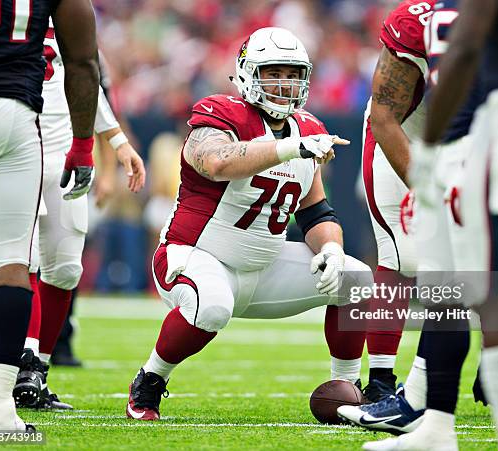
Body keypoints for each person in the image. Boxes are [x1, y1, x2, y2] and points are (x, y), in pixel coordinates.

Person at [359, 1, 498, 450]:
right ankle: (434, 419)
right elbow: (386, 114)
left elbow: (464, 51)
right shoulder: (417, 16)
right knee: (462, 284)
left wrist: (430, 162)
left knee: (491, 288)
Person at [125, 27, 372, 421]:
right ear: (247, 73)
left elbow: (316, 212)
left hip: (264, 267)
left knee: (356, 279)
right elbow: (217, 162)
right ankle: (150, 381)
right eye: (274, 72)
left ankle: (350, 390)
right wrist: (291, 148)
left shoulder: (309, 129)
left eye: (293, 74)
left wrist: (331, 249)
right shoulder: (219, 113)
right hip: (195, 256)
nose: (285, 84)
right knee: (213, 307)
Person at [0, 0, 99, 431]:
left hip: (25, 114)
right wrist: (85, 147)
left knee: (42, 262)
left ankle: (31, 373)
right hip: (11, 114)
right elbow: (83, 59)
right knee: (11, 262)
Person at [11, 25, 146, 410]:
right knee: (25, 262)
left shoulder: (65, 14)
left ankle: (38, 372)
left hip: (65, 150)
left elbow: (83, 78)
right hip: (14, 148)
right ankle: (26, 365)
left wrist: (117, 142)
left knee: (66, 269)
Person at [358, 0, 433, 401]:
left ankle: (494, 372)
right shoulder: (416, 20)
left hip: (459, 141)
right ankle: (381, 381)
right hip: (399, 136)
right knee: (403, 258)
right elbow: (384, 117)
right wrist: (422, 187)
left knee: (484, 258)